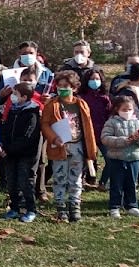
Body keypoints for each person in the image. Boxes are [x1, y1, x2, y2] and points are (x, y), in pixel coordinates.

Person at [41, 70, 97, 223]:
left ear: (74, 87)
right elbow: (45, 124)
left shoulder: (81, 104)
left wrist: (91, 148)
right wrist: (54, 138)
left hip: (77, 145)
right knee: (59, 177)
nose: (62, 89)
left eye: (66, 86)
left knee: (76, 178)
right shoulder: (52, 105)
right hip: (59, 146)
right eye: (59, 86)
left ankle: (75, 205)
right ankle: (60, 206)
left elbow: (88, 126)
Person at [101, 94, 139, 219]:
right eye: (124, 109)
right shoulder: (111, 123)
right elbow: (105, 138)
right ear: (117, 109)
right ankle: (114, 206)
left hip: (134, 158)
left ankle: (132, 205)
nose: (127, 112)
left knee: (132, 183)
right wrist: (121, 141)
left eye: (129, 109)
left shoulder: (138, 123)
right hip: (117, 158)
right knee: (116, 184)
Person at [2, 82, 42, 223]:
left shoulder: (32, 113)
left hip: (26, 154)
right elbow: (6, 129)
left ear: (24, 97)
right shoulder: (13, 110)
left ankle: (30, 209)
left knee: (25, 181)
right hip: (9, 154)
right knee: (12, 181)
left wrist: (13, 149)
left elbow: (28, 136)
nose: (12, 96)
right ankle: (15, 207)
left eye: (15, 94)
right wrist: (5, 147)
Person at [79, 68, 114, 189]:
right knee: (82, 161)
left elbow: (110, 114)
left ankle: (102, 182)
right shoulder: (81, 98)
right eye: (92, 79)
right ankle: (81, 182)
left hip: (103, 134)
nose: (94, 81)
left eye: (97, 79)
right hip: (86, 134)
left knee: (110, 159)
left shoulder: (105, 98)